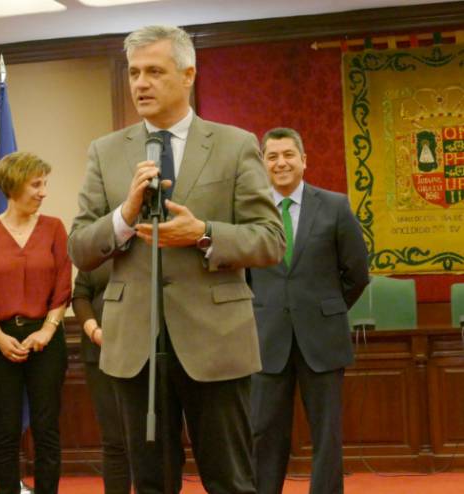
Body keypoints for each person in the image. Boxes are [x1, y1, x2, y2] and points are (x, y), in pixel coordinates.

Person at [68, 25, 285, 494]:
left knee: (231, 481)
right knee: (151, 482)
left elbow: (270, 240)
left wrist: (204, 233)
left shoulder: (234, 144)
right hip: (135, 345)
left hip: (215, 341)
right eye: (134, 73)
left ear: (188, 75)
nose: (140, 84)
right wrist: (124, 217)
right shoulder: (106, 152)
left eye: (154, 71)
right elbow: (80, 247)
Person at [249, 127, 369, 494]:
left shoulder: (335, 206)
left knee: (326, 435)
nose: (281, 163)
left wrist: (326, 309)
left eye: (288, 155)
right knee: (263, 433)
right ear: (262, 164)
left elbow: (357, 273)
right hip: (267, 339)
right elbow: (242, 277)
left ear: (304, 160)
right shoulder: (250, 213)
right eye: (272, 156)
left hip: (323, 338)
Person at [0, 151, 72, 494]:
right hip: (0, 340)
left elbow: (63, 287)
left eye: (45, 184)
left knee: (46, 429)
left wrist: (47, 330)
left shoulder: (54, 228)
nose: (44, 192)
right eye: (36, 184)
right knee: (5, 430)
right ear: (13, 187)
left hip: (47, 338)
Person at [72, 262, 131, 494]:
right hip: (100, 352)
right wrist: (94, 332)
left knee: (148, 440)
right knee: (114, 439)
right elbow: (80, 296)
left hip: (144, 353)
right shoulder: (97, 250)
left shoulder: (150, 246)